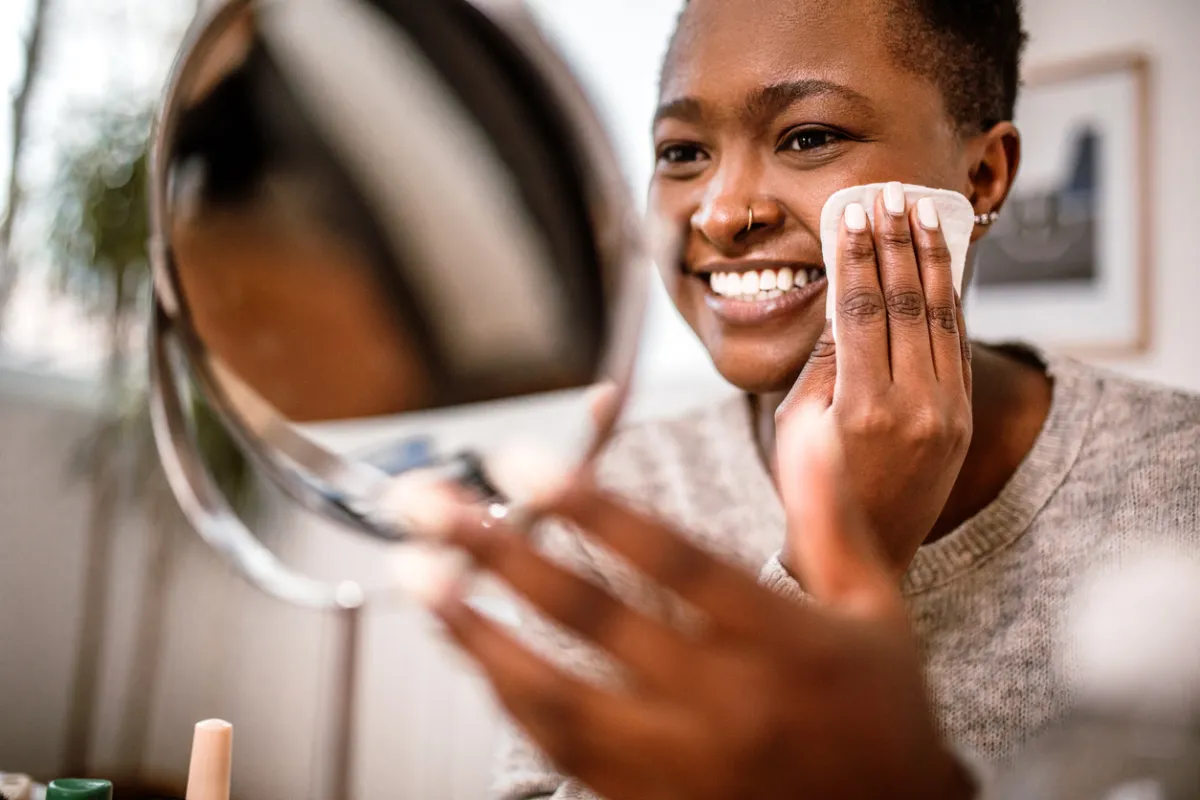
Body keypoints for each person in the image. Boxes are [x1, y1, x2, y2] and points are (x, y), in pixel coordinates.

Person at [389, 0, 1200, 797]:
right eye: (681, 153)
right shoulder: (606, 500)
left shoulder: (1178, 479)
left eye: (809, 136)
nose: (722, 211)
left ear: (982, 177)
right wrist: (840, 559)